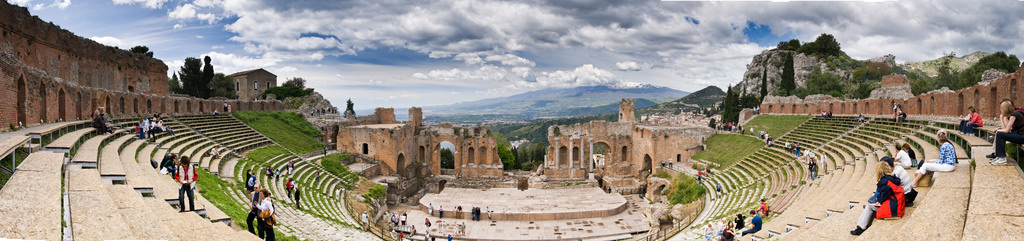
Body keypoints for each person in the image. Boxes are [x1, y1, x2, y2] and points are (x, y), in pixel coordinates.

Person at [850, 162, 904, 235]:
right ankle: (863, 225)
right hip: (898, 205)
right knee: (871, 204)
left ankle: (860, 228)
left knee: (869, 206)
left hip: (893, 209)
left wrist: (879, 201)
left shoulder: (883, 181)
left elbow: (885, 193)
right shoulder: (893, 177)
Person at [987, 100, 1024, 165]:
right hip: (1019, 135)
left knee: (1000, 134)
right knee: (1000, 134)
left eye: (1001, 109)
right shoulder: (1012, 114)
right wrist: (1002, 118)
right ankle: (999, 156)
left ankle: (1002, 158)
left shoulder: (1014, 114)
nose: (1001, 110)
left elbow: (1006, 130)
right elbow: (1006, 129)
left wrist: (998, 130)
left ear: (1004, 109)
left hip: (1022, 136)